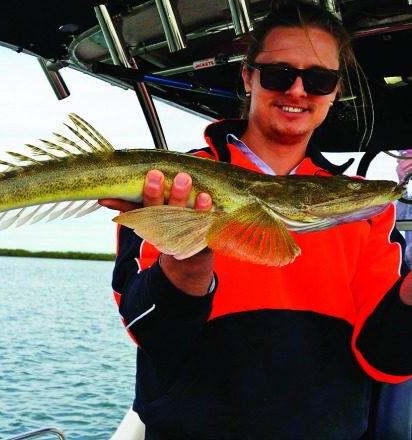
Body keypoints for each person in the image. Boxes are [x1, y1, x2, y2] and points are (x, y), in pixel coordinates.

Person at [99, 1, 412, 438]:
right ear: (248, 77)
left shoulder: (368, 216)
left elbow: (384, 357)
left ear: (335, 90)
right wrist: (187, 263)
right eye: (279, 74)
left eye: (319, 79)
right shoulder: (173, 184)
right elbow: (150, 332)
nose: (298, 91)